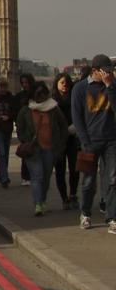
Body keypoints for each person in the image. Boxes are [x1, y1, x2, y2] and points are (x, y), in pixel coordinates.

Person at [71, 54, 116, 232]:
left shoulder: (112, 86)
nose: (109, 74)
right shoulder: (80, 89)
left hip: (111, 140)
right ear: (95, 70)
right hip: (90, 141)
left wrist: (110, 87)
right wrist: (85, 141)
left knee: (113, 180)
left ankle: (112, 217)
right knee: (89, 181)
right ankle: (86, 213)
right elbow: (77, 117)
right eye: (106, 71)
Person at [15, 82, 67, 217]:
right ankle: (38, 204)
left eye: (43, 94)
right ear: (33, 95)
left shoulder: (53, 108)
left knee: (46, 177)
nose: (41, 97)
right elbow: (20, 127)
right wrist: (26, 139)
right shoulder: (26, 110)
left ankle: (42, 200)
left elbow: (63, 127)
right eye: (38, 94)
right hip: (33, 150)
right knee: (37, 176)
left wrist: (60, 146)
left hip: (50, 148)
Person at [51, 72, 80, 209]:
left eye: (67, 83)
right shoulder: (52, 101)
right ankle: (64, 198)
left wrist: (75, 127)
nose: (65, 86)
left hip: (73, 138)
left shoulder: (74, 97)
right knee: (60, 169)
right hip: (58, 140)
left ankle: (73, 194)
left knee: (75, 168)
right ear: (56, 84)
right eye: (62, 83)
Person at [13, 73, 36, 186]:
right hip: (24, 128)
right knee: (26, 152)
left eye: (27, 82)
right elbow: (15, 111)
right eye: (23, 83)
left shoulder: (36, 94)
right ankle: (25, 176)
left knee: (35, 153)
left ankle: (33, 174)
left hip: (35, 128)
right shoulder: (19, 96)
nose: (25, 85)